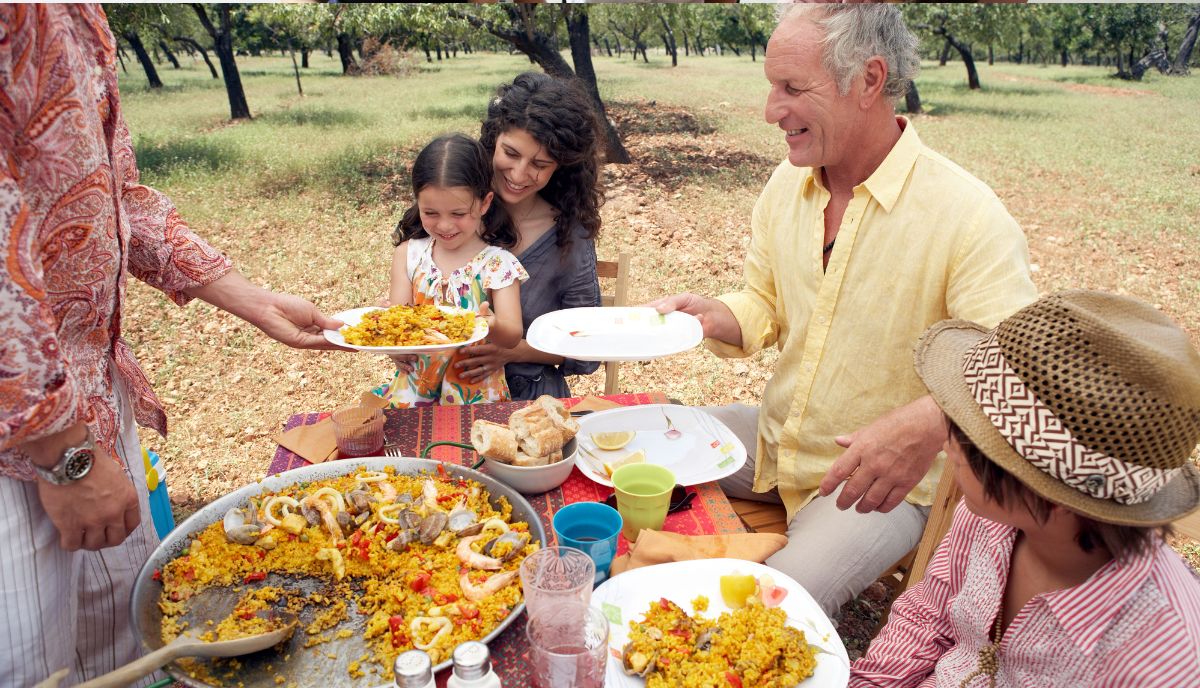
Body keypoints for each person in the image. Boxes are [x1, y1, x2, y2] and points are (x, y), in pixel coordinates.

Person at [651, 3, 1038, 616]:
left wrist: (927, 424)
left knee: (772, 605)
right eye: (771, 86)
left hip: (885, 480)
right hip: (781, 437)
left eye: (792, 87)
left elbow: (1014, 366)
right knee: (644, 435)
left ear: (869, 80)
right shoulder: (788, 184)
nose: (772, 110)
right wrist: (714, 315)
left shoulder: (968, 216)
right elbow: (765, 303)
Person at [0, 5, 345, 685]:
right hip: (26, 443)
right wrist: (62, 456)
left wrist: (254, 301)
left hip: (98, 404)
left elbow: (115, 196)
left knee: (129, 646)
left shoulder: (79, 14)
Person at [851, 290, 1200, 686]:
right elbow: (927, 615)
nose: (947, 440)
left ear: (1051, 494)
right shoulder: (989, 518)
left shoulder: (1166, 661)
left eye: (967, 434)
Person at [453, 72, 605, 400]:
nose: (519, 175)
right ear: (493, 139)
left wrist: (515, 351)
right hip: (441, 393)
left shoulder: (569, 237)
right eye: (510, 153)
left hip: (531, 399)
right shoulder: (451, 212)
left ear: (560, 168)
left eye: (539, 164)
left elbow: (588, 351)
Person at [380, 134, 527, 407]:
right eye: (431, 213)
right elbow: (400, 324)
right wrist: (390, 335)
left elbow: (512, 333)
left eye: (458, 214)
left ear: (484, 203)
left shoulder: (497, 264)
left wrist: (491, 325)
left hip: (476, 394)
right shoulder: (409, 255)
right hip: (413, 391)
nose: (444, 226)